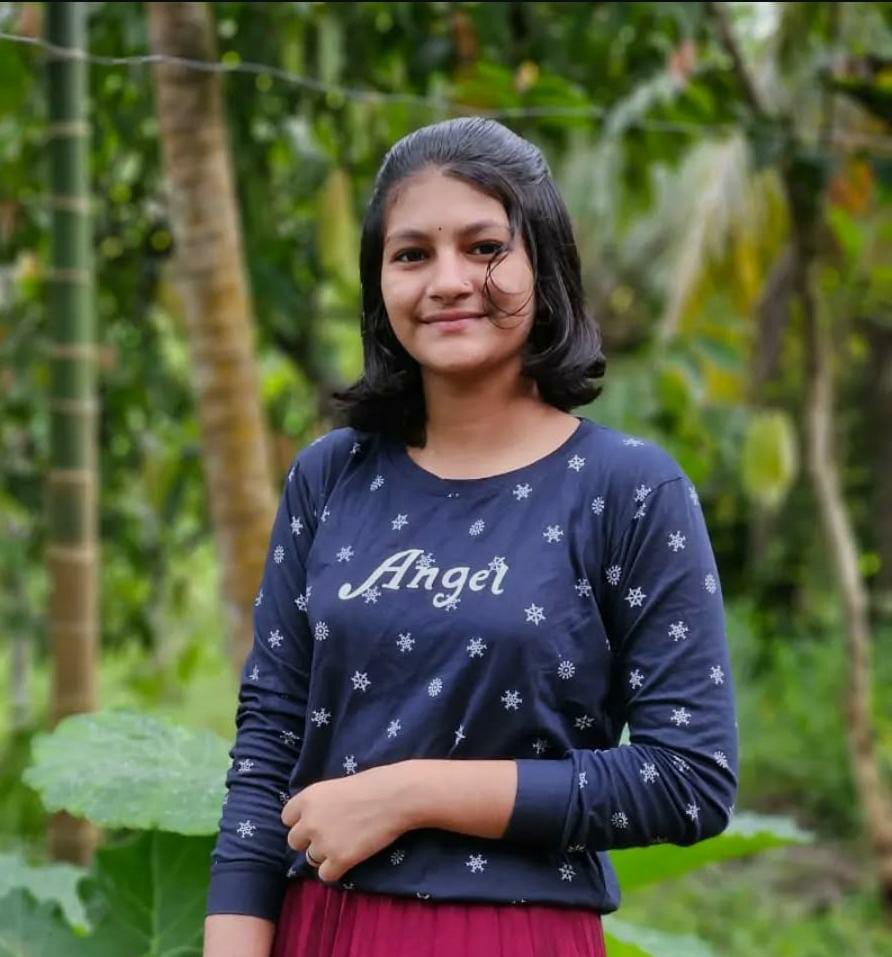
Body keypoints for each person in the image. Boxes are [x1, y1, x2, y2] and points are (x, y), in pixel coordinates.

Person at [203, 116, 739, 957]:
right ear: (379, 282)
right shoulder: (330, 476)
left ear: (544, 266)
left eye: (485, 247)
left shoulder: (629, 490)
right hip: (324, 927)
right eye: (412, 254)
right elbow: (270, 738)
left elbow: (689, 778)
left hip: (514, 933)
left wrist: (412, 793)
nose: (448, 280)